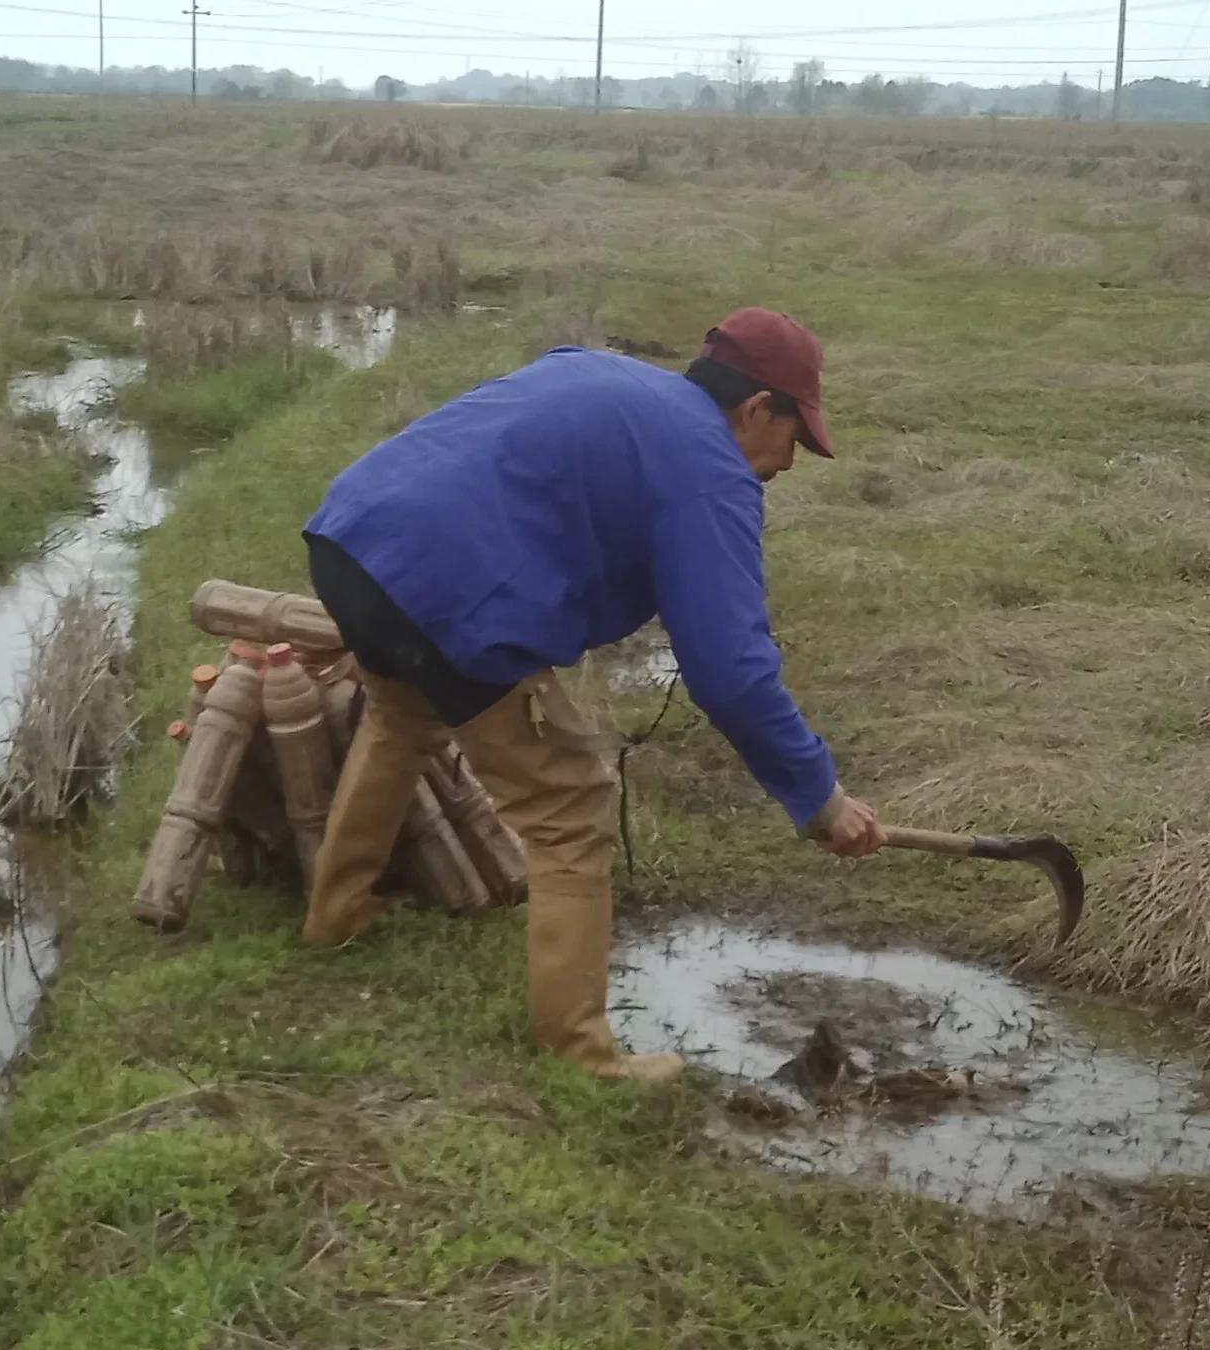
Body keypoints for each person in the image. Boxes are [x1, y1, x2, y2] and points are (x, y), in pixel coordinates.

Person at [297, 307, 884, 1083]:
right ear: (753, 409)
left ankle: (334, 915)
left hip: (352, 542)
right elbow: (730, 668)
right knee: (570, 807)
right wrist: (819, 798)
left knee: (403, 718)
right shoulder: (711, 467)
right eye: (794, 436)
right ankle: (579, 1056)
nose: (790, 461)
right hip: (442, 588)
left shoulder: (606, 373)